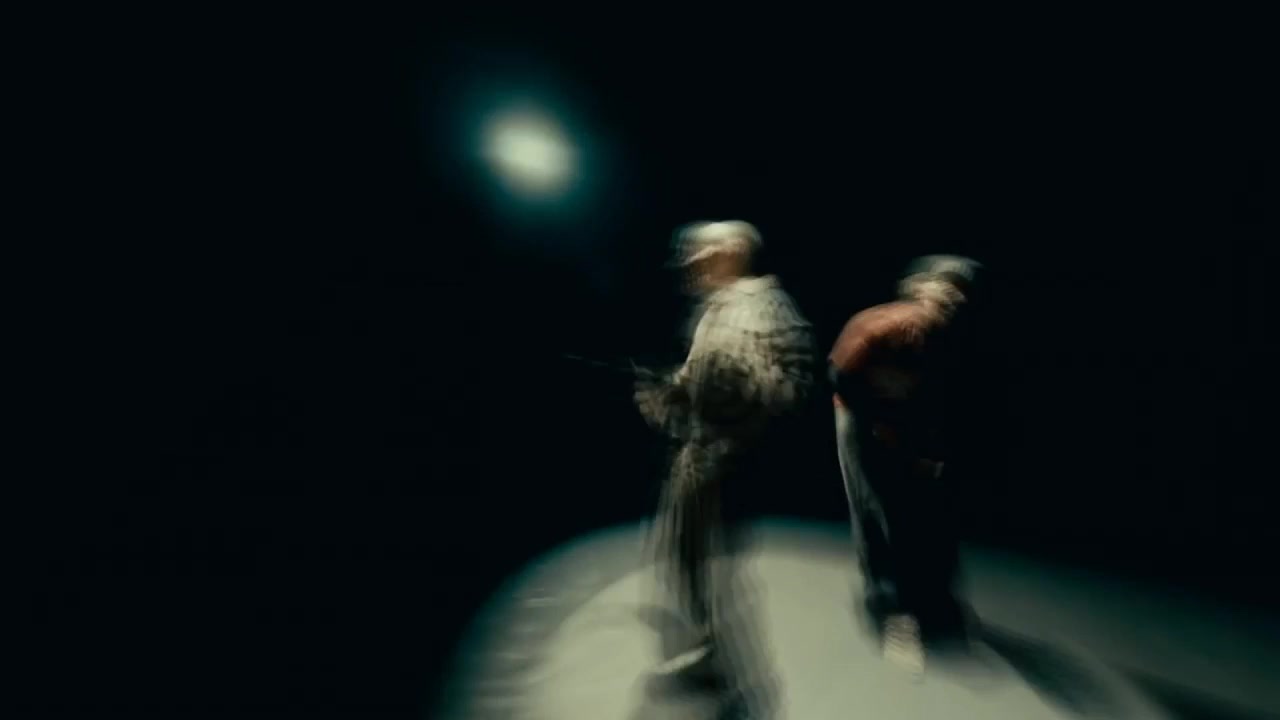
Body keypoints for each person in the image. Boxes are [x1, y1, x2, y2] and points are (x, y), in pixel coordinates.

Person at [634, 220, 814, 678]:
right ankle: (710, 647)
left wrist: (745, 372)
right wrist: (669, 390)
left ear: (732, 251)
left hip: (735, 464)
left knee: (720, 570)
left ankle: (737, 673)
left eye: (700, 251)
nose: (689, 261)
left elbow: (794, 386)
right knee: (683, 558)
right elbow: (699, 374)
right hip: (697, 457)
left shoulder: (768, 305)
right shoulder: (713, 309)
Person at [828, 255, 982, 674]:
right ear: (917, 288)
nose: (951, 296)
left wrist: (929, 451)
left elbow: (941, 399)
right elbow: (840, 376)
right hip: (860, 419)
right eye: (943, 286)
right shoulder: (883, 325)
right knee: (877, 511)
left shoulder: (949, 338)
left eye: (959, 291)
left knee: (929, 511)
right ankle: (893, 613)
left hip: (908, 422)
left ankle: (936, 602)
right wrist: (878, 424)